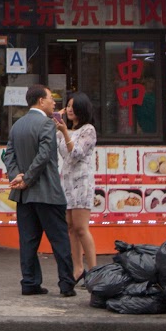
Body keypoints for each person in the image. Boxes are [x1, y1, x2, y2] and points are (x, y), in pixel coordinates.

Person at [2, 84, 76, 297]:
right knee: (59, 240)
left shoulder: (18, 125)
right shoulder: (46, 124)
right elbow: (44, 156)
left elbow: (9, 155)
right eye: (51, 98)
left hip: (24, 196)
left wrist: (16, 176)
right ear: (41, 101)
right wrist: (26, 178)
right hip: (47, 193)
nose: (54, 103)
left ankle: (29, 282)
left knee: (28, 241)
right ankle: (66, 284)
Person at [56, 91, 98, 285]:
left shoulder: (88, 130)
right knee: (71, 227)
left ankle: (95, 271)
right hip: (67, 182)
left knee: (81, 228)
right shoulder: (61, 131)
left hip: (82, 183)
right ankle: (78, 269)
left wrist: (65, 132)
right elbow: (64, 155)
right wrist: (58, 124)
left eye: (73, 106)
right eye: (68, 105)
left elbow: (77, 153)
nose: (70, 109)